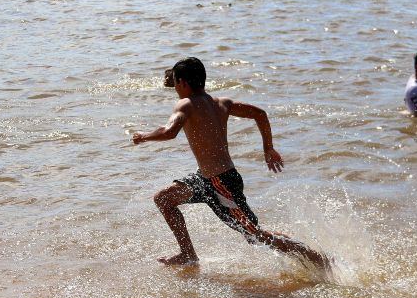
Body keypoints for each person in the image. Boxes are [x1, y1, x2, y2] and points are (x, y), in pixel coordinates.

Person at [133, 57, 330, 270]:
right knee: (164, 198)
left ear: (182, 83)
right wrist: (268, 148)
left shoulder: (185, 104)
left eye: (176, 84)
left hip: (222, 184)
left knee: (255, 235)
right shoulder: (221, 103)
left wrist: (143, 136)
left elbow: (169, 132)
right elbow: (260, 114)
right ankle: (188, 254)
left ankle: (319, 259)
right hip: (205, 179)